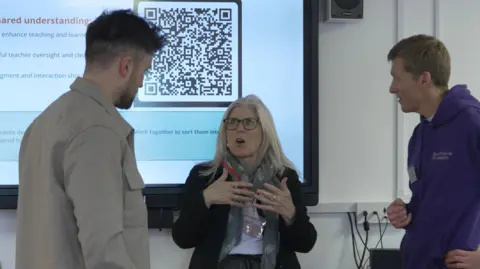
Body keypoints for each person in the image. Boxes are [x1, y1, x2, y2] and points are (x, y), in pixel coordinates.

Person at [15, 9, 165, 269]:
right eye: (145, 71)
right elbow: (104, 252)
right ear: (126, 66)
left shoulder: (44, 121)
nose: (141, 82)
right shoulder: (97, 131)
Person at [171, 94, 317, 269]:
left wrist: (291, 214)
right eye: (232, 123)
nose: (239, 129)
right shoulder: (204, 176)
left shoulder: (284, 177)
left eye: (248, 122)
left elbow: (306, 244)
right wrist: (206, 199)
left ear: (265, 131)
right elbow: (183, 239)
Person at [385, 34, 480, 269]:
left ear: (424, 79)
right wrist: (407, 213)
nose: (392, 88)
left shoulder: (472, 122)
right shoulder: (420, 135)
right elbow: (438, 200)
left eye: (397, 78)